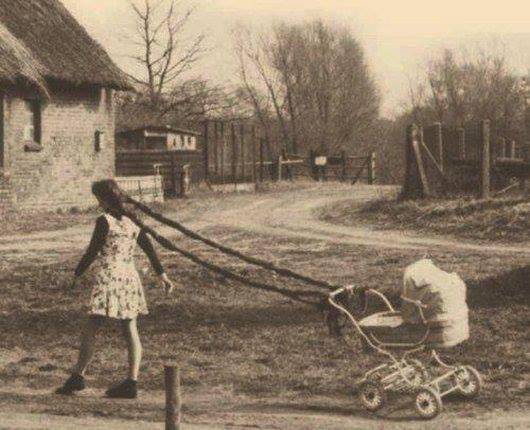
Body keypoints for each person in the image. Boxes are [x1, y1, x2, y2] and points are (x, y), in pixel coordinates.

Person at [55, 179, 175, 399]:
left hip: (109, 276)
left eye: (98, 198)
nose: (98, 203)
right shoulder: (133, 221)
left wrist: (76, 274)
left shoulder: (104, 221)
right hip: (129, 277)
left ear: (104, 199)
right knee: (130, 329)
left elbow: (92, 252)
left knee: (92, 326)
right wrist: (163, 276)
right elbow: (149, 250)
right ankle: (132, 380)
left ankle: (78, 377)